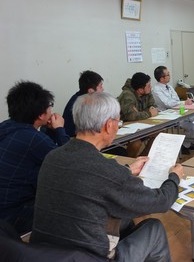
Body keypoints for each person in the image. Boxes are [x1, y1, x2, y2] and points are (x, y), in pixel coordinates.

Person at [30, 92, 183, 261]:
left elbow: (92, 182)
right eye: (118, 121)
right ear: (109, 125)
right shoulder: (105, 170)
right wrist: (174, 178)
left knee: (124, 220)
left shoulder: (53, 156)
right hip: (89, 257)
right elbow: (160, 201)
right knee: (153, 228)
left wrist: (127, 170)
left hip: (45, 254)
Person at [0, 81, 69, 234]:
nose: (52, 110)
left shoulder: (5, 127)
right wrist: (59, 129)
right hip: (12, 216)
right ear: (40, 114)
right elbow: (69, 162)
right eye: (50, 106)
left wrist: (49, 130)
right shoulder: (33, 139)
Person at [153, 66, 194, 155]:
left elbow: (176, 100)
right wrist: (183, 102)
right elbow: (168, 104)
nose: (170, 76)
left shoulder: (169, 87)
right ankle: (184, 144)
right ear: (162, 78)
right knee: (192, 125)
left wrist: (182, 103)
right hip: (167, 116)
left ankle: (186, 143)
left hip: (177, 111)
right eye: (168, 74)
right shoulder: (156, 90)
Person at [117, 72, 158, 157]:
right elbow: (131, 116)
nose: (151, 87)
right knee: (136, 143)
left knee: (158, 134)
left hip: (141, 125)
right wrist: (148, 113)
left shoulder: (147, 92)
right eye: (148, 86)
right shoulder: (127, 95)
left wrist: (140, 113)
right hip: (125, 128)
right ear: (140, 90)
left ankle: (141, 159)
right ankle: (130, 163)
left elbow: (154, 106)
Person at [63, 70, 104, 137]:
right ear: (91, 91)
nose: (102, 89)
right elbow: (93, 128)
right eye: (100, 86)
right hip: (75, 141)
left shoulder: (81, 97)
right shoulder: (80, 104)